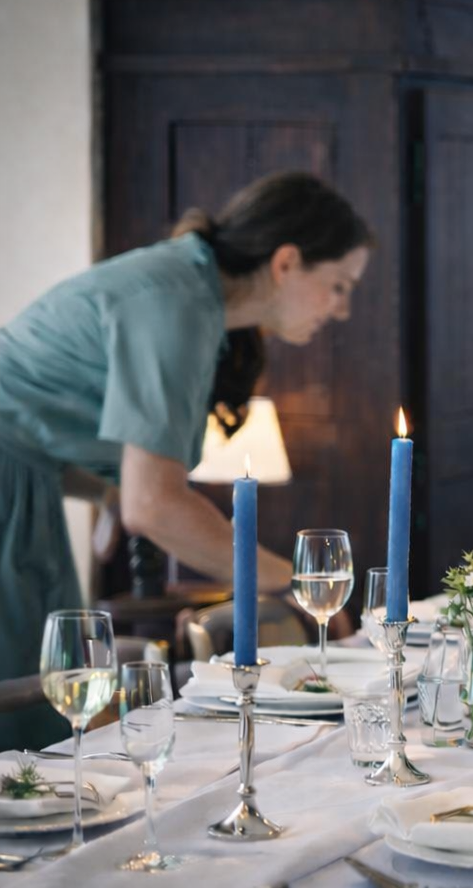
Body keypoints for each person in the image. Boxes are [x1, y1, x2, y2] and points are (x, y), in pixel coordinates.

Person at [0, 171, 372, 748]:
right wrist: (296, 581)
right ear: (286, 263)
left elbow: (37, 416)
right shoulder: (177, 302)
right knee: (25, 729)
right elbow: (156, 505)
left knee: (37, 720)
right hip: (12, 494)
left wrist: (104, 492)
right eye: (340, 285)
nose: (342, 310)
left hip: (27, 490)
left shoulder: (191, 293)